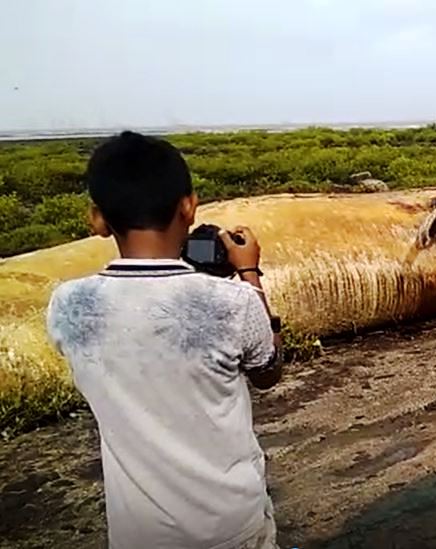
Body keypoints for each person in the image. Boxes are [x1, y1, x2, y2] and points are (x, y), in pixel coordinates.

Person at [45, 131, 283, 548]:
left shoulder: (69, 305)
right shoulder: (233, 301)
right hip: (230, 525)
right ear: (188, 206)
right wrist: (249, 274)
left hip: (138, 532)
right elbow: (268, 372)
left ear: (97, 219)